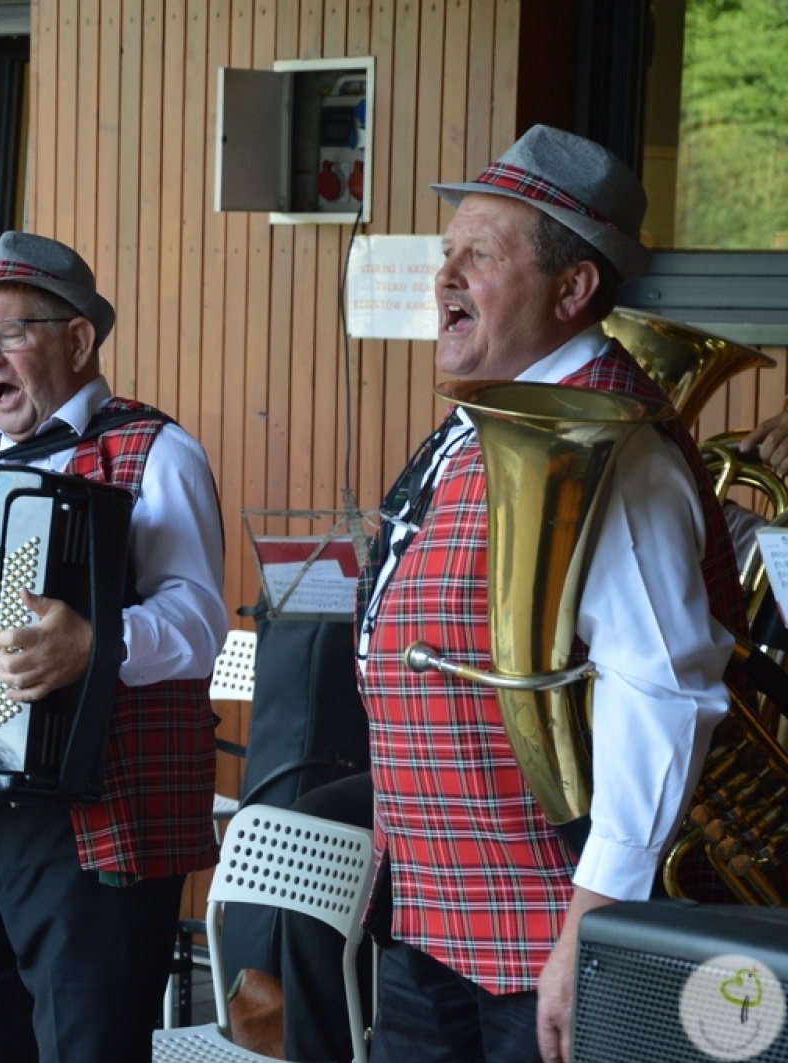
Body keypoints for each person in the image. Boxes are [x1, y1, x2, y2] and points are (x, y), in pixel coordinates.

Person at [354, 125, 744, 1063]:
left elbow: (665, 690)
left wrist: (593, 925)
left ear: (572, 290)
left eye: (480, 257)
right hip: (437, 913)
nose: (445, 276)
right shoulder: (484, 409)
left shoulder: (614, 441)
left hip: (543, 932)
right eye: (447, 251)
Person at [0, 231, 228, 1062]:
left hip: (100, 822)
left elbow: (200, 622)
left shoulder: (155, 450)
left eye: (8, 333)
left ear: (78, 340)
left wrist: (97, 645)